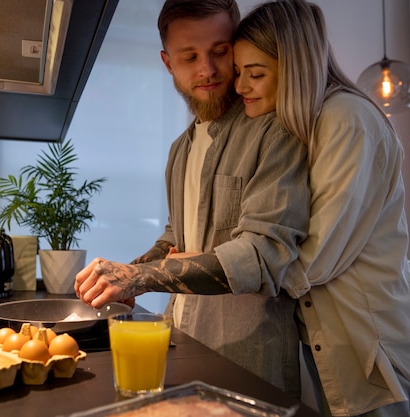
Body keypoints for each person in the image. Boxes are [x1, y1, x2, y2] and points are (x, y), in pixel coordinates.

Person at [75, 0, 309, 398]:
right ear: (168, 63)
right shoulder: (179, 150)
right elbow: (176, 236)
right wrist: (124, 275)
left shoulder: (274, 131)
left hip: (250, 361)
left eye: (220, 51)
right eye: (190, 57)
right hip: (182, 339)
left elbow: (263, 256)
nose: (208, 69)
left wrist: (140, 277)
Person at [232, 1, 410, 416]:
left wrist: (230, 273)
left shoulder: (347, 120)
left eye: (256, 73)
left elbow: (318, 256)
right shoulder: (312, 124)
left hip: (363, 337)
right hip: (333, 335)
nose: (240, 86)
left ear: (296, 67)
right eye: (238, 72)